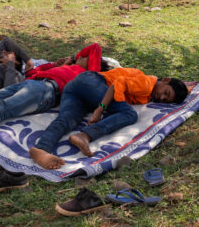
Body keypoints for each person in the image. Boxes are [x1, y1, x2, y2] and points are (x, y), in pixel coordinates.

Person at [28, 68, 188, 169]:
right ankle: (85, 135)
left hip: (76, 88)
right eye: (165, 92)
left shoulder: (149, 92)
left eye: (165, 100)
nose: (161, 97)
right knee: (129, 114)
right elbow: (117, 84)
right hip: (92, 82)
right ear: (165, 80)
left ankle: (42, 149)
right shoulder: (147, 83)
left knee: (66, 119)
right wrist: (100, 109)